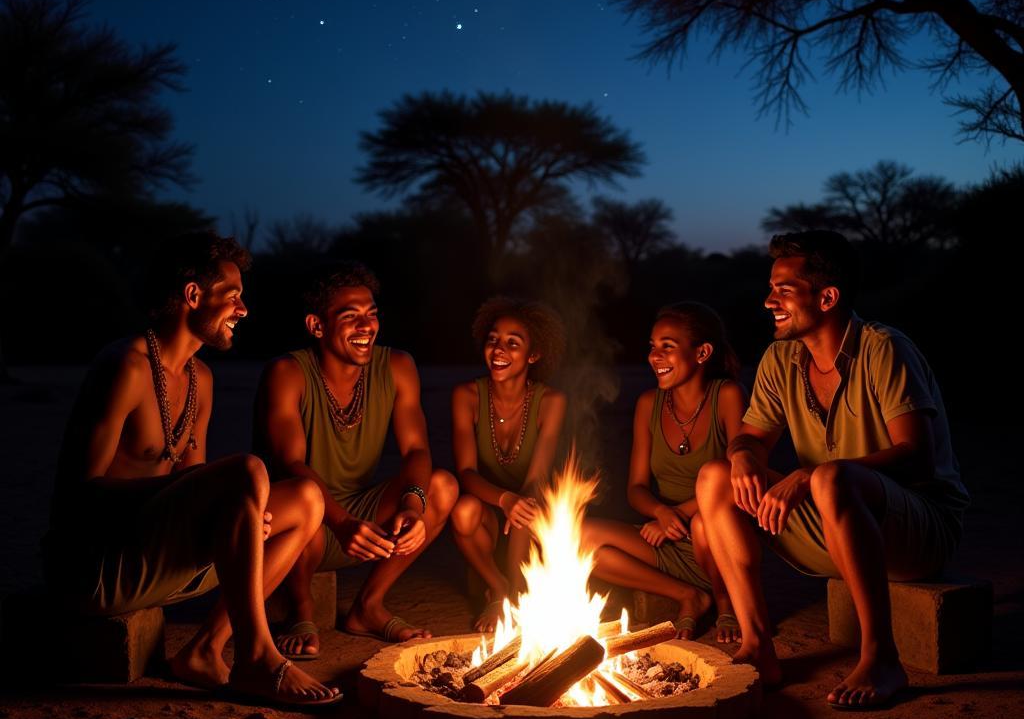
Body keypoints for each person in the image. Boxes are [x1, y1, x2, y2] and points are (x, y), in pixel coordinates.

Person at [43, 232, 340, 708]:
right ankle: (258, 657)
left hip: (159, 558)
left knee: (306, 498)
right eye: (233, 297)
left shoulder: (201, 379)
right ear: (193, 296)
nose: (243, 310)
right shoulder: (127, 366)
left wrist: (243, 517)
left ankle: (204, 650)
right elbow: (80, 497)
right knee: (249, 470)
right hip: (98, 568)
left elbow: (198, 490)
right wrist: (220, 488)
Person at [696, 230, 968, 708]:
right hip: (833, 524)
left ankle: (882, 657)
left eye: (783, 290)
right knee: (715, 477)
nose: (768, 301)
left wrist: (807, 476)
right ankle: (759, 646)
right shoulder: (781, 358)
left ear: (827, 297)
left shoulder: (884, 348)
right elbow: (752, 438)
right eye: (770, 288)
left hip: (917, 529)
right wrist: (742, 454)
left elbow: (917, 456)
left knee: (828, 476)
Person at [255, 262, 457, 657]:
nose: (367, 327)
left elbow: (416, 449)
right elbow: (290, 465)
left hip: (361, 516)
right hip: (298, 519)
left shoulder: (397, 366)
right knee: (303, 497)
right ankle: (301, 612)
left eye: (372, 315)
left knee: (443, 486)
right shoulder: (287, 372)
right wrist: (342, 523)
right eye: (351, 318)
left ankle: (368, 607)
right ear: (317, 326)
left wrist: (414, 505)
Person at [582, 303, 744, 642]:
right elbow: (637, 488)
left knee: (702, 524)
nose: (654, 356)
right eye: (652, 347)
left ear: (702, 353)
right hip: (666, 534)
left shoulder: (727, 396)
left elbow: (737, 475)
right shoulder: (648, 404)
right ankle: (690, 596)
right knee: (580, 538)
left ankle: (727, 601)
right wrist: (659, 511)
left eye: (667, 347)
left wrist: (677, 515)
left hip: (717, 534)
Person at [450, 297, 568, 631]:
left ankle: (515, 592)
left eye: (512, 344)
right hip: (489, 508)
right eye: (492, 340)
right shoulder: (467, 396)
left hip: (530, 510)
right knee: (462, 511)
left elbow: (537, 478)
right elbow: (466, 474)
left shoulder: (552, 401)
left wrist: (517, 504)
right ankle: (498, 588)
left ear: (533, 355)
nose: (498, 350)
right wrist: (504, 499)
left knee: (529, 503)